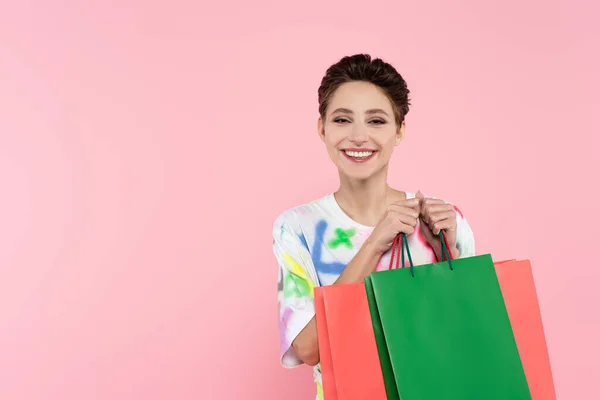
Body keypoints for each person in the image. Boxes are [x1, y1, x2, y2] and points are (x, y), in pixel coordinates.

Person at [272, 54, 476, 400]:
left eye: (377, 121)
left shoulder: (442, 219)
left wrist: (448, 252)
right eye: (342, 119)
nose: (358, 136)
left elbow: (475, 329)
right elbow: (308, 348)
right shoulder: (297, 227)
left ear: (399, 131)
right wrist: (373, 245)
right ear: (322, 128)